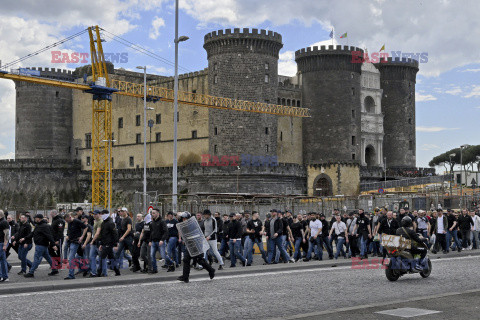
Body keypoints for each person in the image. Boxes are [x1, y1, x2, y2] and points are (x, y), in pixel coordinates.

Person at [176, 211, 215, 283]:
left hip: (197, 244)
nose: (184, 220)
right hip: (190, 245)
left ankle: (211, 270)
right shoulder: (184, 225)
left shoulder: (193, 224)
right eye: (183, 219)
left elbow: (197, 234)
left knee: (199, 260)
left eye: (185, 218)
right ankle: (185, 277)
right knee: (186, 260)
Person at [64, 212, 87, 280]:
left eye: (67, 220)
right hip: (70, 241)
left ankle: (71, 275)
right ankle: (85, 268)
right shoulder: (69, 222)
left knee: (71, 258)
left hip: (76, 242)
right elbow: (69, 230)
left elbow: (85, 228)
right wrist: (68, 235)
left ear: (70, 217)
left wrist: (82, 237)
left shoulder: (77, 221)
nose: (66, 222)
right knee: (77, 257)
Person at [149, 208, 173, 273]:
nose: (152, 214)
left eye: (154, 213)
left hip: (160, 241)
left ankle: (171, 264)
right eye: (152, 213)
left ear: (158, 213)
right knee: (152, 255)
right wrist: (150, 241)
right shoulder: (152, 222)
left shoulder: (162, 221)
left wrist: (162, 240)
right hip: (154, 241)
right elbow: (151, 232)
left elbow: (166, 232)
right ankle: (154, 269)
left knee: (163, 256)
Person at [99, 211, 120, 277]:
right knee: (111, 258)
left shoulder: (110, 223)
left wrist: (115, 244)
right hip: (105, 243)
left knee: (102, 257)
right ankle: (117, 272)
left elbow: (115, 234)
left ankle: (98, 273)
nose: (101, 215)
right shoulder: (103, 223)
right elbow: (102, 234)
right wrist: (101, 244)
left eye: (103, 214)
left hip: (109, 243)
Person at [88, 210, 103, 277]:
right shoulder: (95, 221)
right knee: (91, 257)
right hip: (95, 242)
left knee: (102, 258)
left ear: (99, 214)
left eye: (95, 214)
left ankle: (103, 272)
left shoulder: (100, 222)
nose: (94, 215)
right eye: (93, 214)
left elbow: (97, 233)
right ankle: (93, 272)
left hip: (98, 241)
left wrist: (92, 241)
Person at [0, 210, 10, 281]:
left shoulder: (4, 222)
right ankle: (5, 276)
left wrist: (5, 245)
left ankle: (1, 276)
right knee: (3, 260)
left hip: (1, 243)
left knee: (2, 261)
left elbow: (7, 234)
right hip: (1, 243)